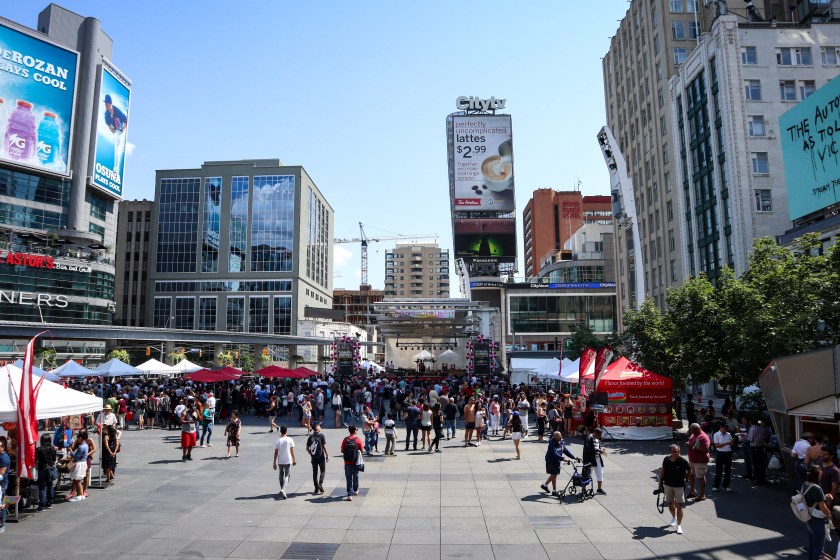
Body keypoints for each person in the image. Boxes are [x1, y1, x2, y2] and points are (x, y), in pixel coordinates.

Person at [658, 444, 691, 535]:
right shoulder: (666, 460)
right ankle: (673, 516)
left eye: (677, 451)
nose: (676, 453)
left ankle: (679, 525)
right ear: (670, 452)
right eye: (674, 452)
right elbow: (663, 470)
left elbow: (689, 470)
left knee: (679, 505)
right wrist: (660, 481)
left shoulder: (682, 461)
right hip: (668, 485)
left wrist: (687, 478)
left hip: (679, 486)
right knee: (670, 503)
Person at [802, 465, 831, 560]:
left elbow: (811, 497)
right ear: (818, 474)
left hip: (808, 517)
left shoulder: (805, 484)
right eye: (820, 471)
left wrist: (824, 496)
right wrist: (829, 516)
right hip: (817, 520)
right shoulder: (817, 488)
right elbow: (823, 508)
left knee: (812, 544)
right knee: (818, 547)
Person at [542, 430, 577, 496]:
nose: (561, 437)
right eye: (559, 436)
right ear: (555, 437)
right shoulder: (552, 443)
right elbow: (554, 453)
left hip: (557, 460)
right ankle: (554, 491)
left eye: (561, 435)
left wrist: (573, 457)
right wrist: (562, 458)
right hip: (551, 460)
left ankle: (545, 485)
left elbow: (565, 450)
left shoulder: (560, 441)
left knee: (554, 474)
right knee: (554, 474)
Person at [103, 93, 128, 172]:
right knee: (117, 146)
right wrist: (116, 131)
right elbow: (111, 128)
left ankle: (117, 168)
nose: (105, 105)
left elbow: (126, 120)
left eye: (106, 103)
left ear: (110, 103)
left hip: (122, 129)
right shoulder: (106, 115)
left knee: (120, 147)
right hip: (117, 131)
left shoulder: (117, 111)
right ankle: (115, 169)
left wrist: (123, 129)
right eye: (105, 103)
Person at [687, 423, 711, 501]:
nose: (692, 432)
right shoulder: (694, 434)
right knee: (691, 475)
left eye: (693, 430)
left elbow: (705, 449)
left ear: (698, 429)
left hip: (700, 461)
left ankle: (702, 495)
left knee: (700, 477)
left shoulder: (703, 437)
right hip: (692, 460)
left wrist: (692, 447)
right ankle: (692, 491)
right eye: (691, 430)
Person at [272, 425, 296, 499]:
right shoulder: (290, 439)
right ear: (286, 431)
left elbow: (276, 452)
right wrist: (294, 459)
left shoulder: (278, 440)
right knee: (287, 475)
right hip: (288, 460)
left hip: (280, 460)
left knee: (281, 475)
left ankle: (282, 489)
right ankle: (283, 489)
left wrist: (274, 462)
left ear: (280, 431)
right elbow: (292, 451)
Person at [341, 426, 364, 501]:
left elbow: (342, 450)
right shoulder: (358, 439)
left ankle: (349, 495)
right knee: (355, 476)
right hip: (355, 461)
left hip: (347, 462)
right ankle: (356, 490)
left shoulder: (345, 439)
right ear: (354, 431)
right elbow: (362, 450)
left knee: (348, 478)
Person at [36, 433, 57, 511]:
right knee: (50, 485)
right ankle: (50, 502)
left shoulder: (39, 449)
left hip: (42, 468)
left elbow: (36, 459)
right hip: (50, 468)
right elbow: (54, 460)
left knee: (42, 487)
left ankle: (41, 505)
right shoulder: (53, 449)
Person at [583, 427, 607, 494]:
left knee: (600, 473)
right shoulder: (588, 438)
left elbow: (597, 447)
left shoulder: (597, 439)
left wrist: (601, 451)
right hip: (590, 459)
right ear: (595, 433)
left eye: (600, 435)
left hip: (597, 459)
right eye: (598, 435)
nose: (599, 437)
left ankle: (599, 489)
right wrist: (597, 450)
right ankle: (583, 489)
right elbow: (587, 449)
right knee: (587, 475)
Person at [306, 423, 328, 494]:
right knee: (323, 471)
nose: (320, 427)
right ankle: (320, 484)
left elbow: (307, 448)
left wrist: (311, 454)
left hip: (314, 458)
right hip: (321, 457)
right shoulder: (321, 436)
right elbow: (324, 447)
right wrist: (327, 455)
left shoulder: (310, 437)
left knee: (315, 473)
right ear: (317, 428)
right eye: (319, 426)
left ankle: (316, 488)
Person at [68, 432, 89, 502]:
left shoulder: (81, 447)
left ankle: (80, 495)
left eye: (78, 438)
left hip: (79, 464)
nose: (77, 440)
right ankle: (81, 494)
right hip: (83, 463)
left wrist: (71, 451)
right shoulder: (86, 445)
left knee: (77, 480)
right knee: (78, 480)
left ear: (80, 438)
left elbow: (76, 457)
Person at [712, 423, 733, 492]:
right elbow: (717, 445)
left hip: (728, 453)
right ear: (721, 427)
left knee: (728, 470)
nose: (725, 430)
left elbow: (731, 443)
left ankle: (726, 485)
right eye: (724, 428)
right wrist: (726, 443)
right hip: (720, 453)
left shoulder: (728, 434)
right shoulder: (716, 434)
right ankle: (716, 485)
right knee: (719, 470)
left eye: (726, 429)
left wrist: (732, 442)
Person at [0, 439, 8, 530]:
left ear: (2, 447)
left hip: (2, 484)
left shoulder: (3, 458)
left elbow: (1, 473)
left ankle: (2, 525)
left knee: (1, 504)